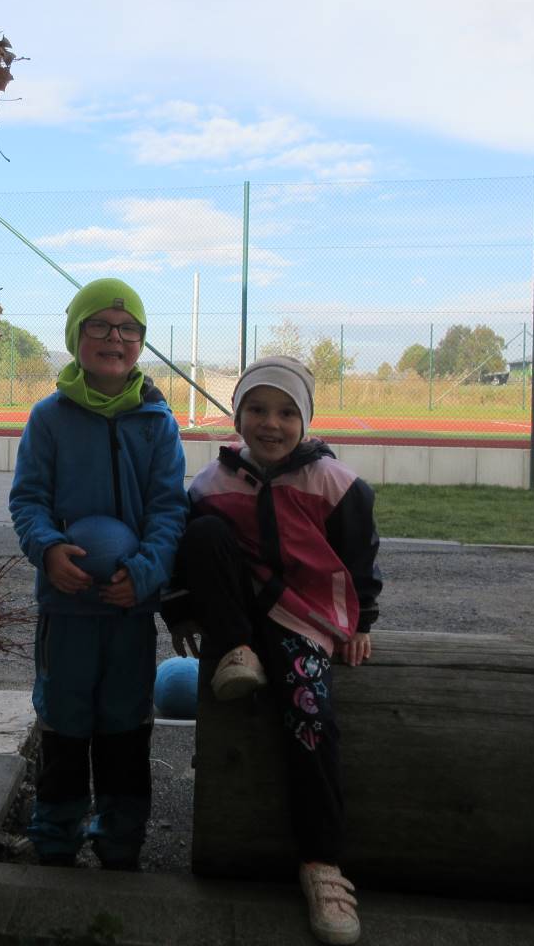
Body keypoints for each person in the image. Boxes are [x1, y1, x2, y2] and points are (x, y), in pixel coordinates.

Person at [163, 355, 381, 946]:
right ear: (237, 416)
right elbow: (188, 555)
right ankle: (238, 650)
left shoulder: (335, 485)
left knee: (310, 717)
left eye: (287, 413)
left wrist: (362, 619)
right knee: (204, 532)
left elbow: (360, 554)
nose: (271, 423)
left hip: (301, 618)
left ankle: (321, 863)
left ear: (305, 421)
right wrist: (182, 611)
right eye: (256, 409)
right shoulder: (212, 484)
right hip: (240, 615)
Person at [8, 277, 187, 871]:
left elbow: (169, 510)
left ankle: (120, 838)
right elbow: (28, 500)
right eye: (100, 326)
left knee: (125, 724)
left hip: (129, 606)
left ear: (141, 341)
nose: (115, 338)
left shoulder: (158, 423)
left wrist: (146, 572)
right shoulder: (49, 418)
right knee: (63, 721)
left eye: (128, 328)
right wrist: (48, 550)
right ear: (75, 335)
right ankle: (56, 837)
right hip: (66, 610)